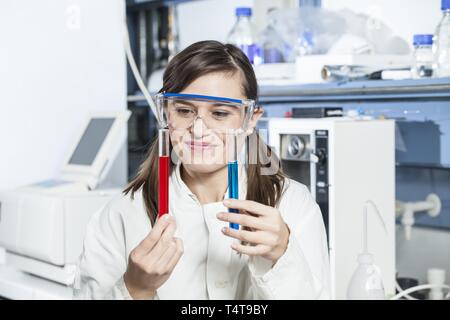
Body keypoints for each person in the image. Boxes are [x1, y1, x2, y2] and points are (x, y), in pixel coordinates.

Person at [73, 40, 330, 299]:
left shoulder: (292, 205)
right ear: (166, 114)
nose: (197, 130)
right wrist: (136, 288)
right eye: (184, 111)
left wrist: (282, 255)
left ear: (250, 120)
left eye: (219, 114)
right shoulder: (122, 214)